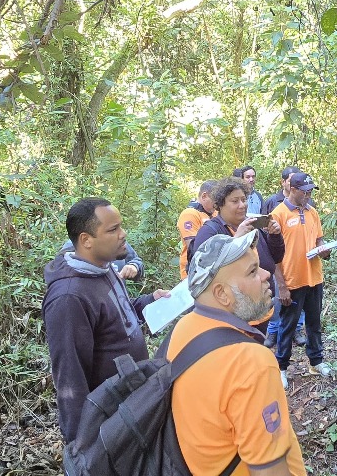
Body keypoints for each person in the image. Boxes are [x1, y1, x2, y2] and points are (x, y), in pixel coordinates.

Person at [166, 233, 308, 475]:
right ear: (221, 293)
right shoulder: (250, 362)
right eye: (252, 272)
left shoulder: (183, 329)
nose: (266, 275)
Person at [42, 197, 170, 443]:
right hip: (107, 420)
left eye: (121, 226)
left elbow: (119, 313)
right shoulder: (69, 297)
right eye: (113, 230)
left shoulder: (105, 268)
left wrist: (150, 301)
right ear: (86, 240)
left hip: (130, 405)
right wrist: (82, 446)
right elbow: (70, 378)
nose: (123, 234)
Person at [190, 177, 285, 333]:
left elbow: (275, 258)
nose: (242, 205)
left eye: (244, 199)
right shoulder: (210, 231)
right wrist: (236, 240)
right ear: (220, 204)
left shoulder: (253, 225)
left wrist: (275, 236)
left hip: (260, 309)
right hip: (232, 315)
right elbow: (204, 272)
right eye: (235, 201)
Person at [269, 171, 334, 387]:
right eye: (304, 191)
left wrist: (325, 250)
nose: (308, 195)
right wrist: (282, 286)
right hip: (292, 279)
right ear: (293, 189)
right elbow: (274, 255)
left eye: (310, 191)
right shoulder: (278, 214)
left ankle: (316, 361)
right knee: (287, 325)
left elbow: (319, 241)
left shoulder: (312, 212)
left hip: (314, 277)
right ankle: (282, 367)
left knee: (314, 323)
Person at [262, 166, 307, 349]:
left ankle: (297, 329)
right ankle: (272, 331)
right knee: (280, 296)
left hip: (302, 262)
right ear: (284, 182)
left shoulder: (305, 203)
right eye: (290, 179)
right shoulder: (273, 202)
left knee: (301, 298)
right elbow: (265, 230)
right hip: (280, 260)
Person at [178, 180, 217, 279]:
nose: (217, 204)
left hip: (212, 271)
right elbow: (193, 247)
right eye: (215, 200)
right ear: (204, 196)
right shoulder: (190, 214)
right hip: (192, 272)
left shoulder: (215, 213)